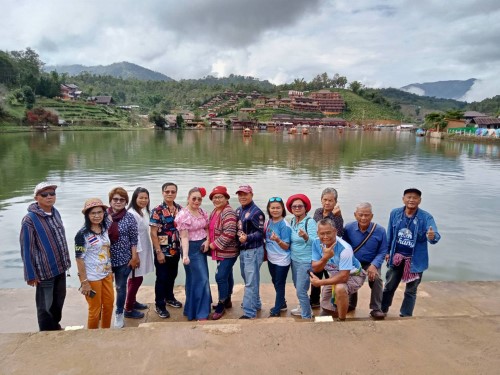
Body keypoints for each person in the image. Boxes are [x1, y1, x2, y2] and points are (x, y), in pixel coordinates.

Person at [20, 182, 71, 331]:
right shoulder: (29, 220)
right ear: (36, 197)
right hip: (44, 271)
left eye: (52, 194)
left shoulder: (55, 213)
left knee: (58, 302)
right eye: (44, 194)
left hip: (60, 268)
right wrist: (30, 274)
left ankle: (55, 327)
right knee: (45, 306)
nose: (49, 197)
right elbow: (26, 248)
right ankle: (46, 333)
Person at [382, 188, 441, 317]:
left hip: (415, 260)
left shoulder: (426, 217)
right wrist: (386, 252)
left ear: (420, 201)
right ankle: (382, 310)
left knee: (411, 290)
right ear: (403, 199)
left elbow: (434, 235)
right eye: (408, 197)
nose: (411, 200)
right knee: (389, 286)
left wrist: (431, 236)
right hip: (396, 258)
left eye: (415, 198)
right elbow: (389, 234)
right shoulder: (395, 213)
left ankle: (406, 315)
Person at [310, 219, 366, 321]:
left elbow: (344, 277)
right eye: (322, 233)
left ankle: (342, 319)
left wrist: (320, 282)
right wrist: (325, 257)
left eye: (328, 233)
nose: (325, 236)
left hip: (354, 275)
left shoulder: (345, 249)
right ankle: (331, 312)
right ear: (317, 233)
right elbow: (316, 268)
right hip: (336, 274)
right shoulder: (316, 243)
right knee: (326, 300)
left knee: (340, 288)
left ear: (335, 231)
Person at [343, 202, 387, 319]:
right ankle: (351, 304)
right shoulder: (348, 228)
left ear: (372, 216)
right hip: (354, 261)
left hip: (371, 262)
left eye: (367, 215)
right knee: (350, 276)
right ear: (355, 215)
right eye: (360, 214)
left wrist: (374, 265)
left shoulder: (380, 230)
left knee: (376, 279)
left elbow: (383, 251)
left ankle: (376, 308)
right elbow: (344, 246)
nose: (363, 218)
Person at [75, 198, 114, 329]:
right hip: (92, 278)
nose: (97, 216)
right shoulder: (82, 234)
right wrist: (84, 282)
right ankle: (92, 336)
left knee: (109, 305)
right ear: (87, 215)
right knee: (95, 309)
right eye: (93, 213)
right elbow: (79, 259)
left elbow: (106, 250)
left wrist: (111, 270)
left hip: (106, 274)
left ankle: (106, 331)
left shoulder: (104, 228)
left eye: (99, 212)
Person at [175, 187, 212, 321]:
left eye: (199, 199)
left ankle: (191, 309)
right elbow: (184, 237)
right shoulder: (183, 215)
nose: (197, 201)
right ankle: (201, 313)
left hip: (202, 248)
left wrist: (207, 241)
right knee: (201, 279)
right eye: (194, 198)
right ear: (188, 199)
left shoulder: (202, 212)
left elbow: (207, 228)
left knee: (195, 279)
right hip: (190, 249)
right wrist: (185, 255)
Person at [107, 187, 140, 328]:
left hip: (123, 259)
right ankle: (104, 311)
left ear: (126, 202)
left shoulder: (129, 217)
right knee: (106, 290)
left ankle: (119, 313)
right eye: (115, 199)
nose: (118, 202)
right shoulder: (102, 215)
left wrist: (134, 257)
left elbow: (134, 239)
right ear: (110, 201)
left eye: (122, 199)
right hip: (104, 260)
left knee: (120, 288)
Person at [150, 182, 182, 319]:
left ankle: (170, 297)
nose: (170, 194)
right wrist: (158, 252)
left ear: (176, 193)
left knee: (172, 275)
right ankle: (159, 304)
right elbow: (153, 233)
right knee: (162, 277)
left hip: (175, 249)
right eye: (167, 191)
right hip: (162, 250)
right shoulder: (157, 210)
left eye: (172, 191)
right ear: (163, 193)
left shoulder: (180, 209)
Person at [207, 186, 239, 320]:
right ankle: (227, 300)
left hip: (228, 252)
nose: (217, 199)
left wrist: (212, 245)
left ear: (226, 198)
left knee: (220, 277)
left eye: (220, 197)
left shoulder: (228, 213)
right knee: (227, 275)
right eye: (214, 197)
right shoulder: (215, 211)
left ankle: (221, 304)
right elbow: (210, 229)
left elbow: (229, 233)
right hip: (221, 251)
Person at [235, 185, 265, 320]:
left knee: (250, 282)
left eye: (245, 194)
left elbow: (260, 233)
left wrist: (247, 237)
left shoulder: (256, 212)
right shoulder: (238, 210)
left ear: (251, 195)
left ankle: (249, 312)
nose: (242, 197)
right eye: (240, 194)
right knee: (249, 279)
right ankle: (256, 303)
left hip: (253, 250)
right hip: (243, 250)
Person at [311, 187, 344, 309]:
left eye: (331, 200)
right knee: (315, 275)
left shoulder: (337, 215)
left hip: (332, 253)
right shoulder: (318, 212)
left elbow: (339, 234)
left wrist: (336, 216)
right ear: (321, 200)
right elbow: (315, 230)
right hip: (318, 250)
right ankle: (314, 301)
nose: (327, 203)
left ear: (335, 202)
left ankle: (333, 302)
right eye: (325, 199)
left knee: (331, 277)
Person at [287, 193, 317, 320]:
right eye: (294, 206)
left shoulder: (310, 222)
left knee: (301, 290)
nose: (297, 208)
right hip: (294, 259)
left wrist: (305, 237)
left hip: (305, 261)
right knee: (298, 286)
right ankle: (303, 307)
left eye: (300, 206)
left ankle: (307, 316)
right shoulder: (293, 220)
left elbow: (315, 242)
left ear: (306, 208)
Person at [125, 187, 154, 314]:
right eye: (141, 198)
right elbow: (133, 236)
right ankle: (128, 308)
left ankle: (132, 301)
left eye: (146, 198)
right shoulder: (132, 213)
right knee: (135, 278)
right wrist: (134, 256)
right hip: (136, 251)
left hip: (142, 248)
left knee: (136, 277)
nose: (143, 200)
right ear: (135, 198)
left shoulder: (140, 212)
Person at [265, 197, 292, 318]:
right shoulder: (269, 221)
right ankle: (282, 303)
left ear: (282, 209)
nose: (275, 210)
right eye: (272, 208)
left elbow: (286, 246)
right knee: (274, 281)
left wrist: (277, 240)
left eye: (278, 208)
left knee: (279, 283)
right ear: (269, 209)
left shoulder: (284, 225)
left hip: (282, 259)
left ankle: (277, 309)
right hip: (271, 258)